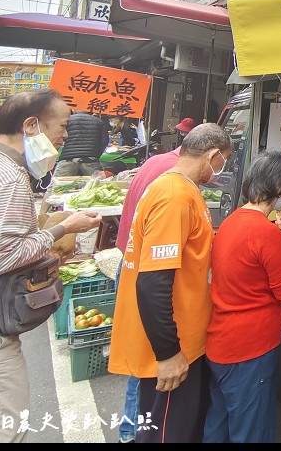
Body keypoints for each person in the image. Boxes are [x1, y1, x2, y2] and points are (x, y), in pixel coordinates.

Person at [0, 89, 102, 442]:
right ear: (31, 125)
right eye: (63, 126)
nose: (65, 136)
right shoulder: (8, 178)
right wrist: (62, 228)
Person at [107, 123, 232, 443]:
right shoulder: (174, 197)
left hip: (185, 343)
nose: (223, 168)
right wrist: (168, 353)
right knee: (165, 435)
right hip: (172, 351)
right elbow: (152, 283)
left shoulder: (180, 188)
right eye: (224, 160)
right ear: (213, 155)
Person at [204, 150, 281, 443]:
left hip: (221, 343)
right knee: (251, 431)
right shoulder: (265, 232)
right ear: (280, 189)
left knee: (218, 422)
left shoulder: (232, 221)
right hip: (250, 351)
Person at [110, 130, 186, 444]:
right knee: (148, 359)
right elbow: (155, 280)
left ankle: (131, 428)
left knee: (139, 354)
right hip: (146, 268)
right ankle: (132, 431)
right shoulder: (175, 183)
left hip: (129, 259)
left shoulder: (155, 163)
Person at [55, 111, 110, 176]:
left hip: (68, 159)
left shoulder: (67, 120)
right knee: (95, 184)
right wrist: (95, 155)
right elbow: (104, 141)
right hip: (90, 160)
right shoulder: (98, 121)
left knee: (59, 183)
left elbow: (57, 136)